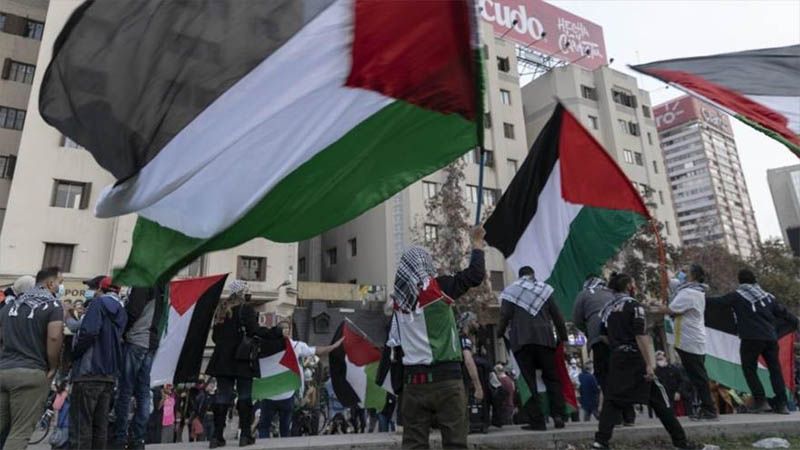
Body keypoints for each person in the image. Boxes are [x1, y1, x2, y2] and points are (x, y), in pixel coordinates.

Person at [392, 226, 486, 449]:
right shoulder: (438, 288)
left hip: (413, 384)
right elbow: (475, 275)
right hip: (447, 380)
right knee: (455, 443)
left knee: (414, 445)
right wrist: (477, 244)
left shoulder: (397, 302)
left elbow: (394, 346)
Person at [591, 274, 700, 450]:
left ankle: (600, 441)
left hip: (617, 358)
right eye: (632, 282)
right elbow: (640, 335)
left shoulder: (607, 309)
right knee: (660, 400)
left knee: (613, 400)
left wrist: (619, 344)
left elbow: (603, 335)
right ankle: (681, 442)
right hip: (635, 358)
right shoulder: (634, 306)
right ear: (628, 285)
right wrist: (649, 363)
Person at [707, 269, 800, 414]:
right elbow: (785, 313)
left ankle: (760, 400)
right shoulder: (768, 297)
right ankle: (782, 404)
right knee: (775, 370)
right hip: (770, 339)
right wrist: (795, 322)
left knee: (749, 369)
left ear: (740, 281)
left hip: (751, 339)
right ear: (754, 280)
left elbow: (717, 303)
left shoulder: (737, 296)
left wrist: (698, 298)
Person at [205, 280, 282, 448]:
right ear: (242, 294)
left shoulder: (221, 310)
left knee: (222, 396)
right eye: (247, 291)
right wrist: (274, 332)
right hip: (241, 359)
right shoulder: (245, 310)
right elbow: (255, 331)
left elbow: (215, 338)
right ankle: (245, 435)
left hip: (222, 361)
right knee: (245, 396)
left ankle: (216, 437)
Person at [497, 266, 568, 431]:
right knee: (552, 378)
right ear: (533, 275)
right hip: (545, 340)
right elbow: (557, 316)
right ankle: (558, 416)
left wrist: (499, 333)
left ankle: (537, 420)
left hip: (522, 342)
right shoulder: (544, 290)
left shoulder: (511, 292)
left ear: (519, 276)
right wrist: (563, 338)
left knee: (529, 382)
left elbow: (504, 316)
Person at [0, 268, 64, 450]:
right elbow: (54, 337)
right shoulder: (53, 306)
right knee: (19, 431)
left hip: (3, 370)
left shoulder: (10, 306)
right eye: (59, 282)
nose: (60, 286)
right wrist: (53, 366)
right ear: (50, 284)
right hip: (31, 373)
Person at [69, 276, 127, 450]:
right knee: (99, 428)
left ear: (101, 289)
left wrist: (75, 354)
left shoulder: (97, 304)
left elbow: (89, 332)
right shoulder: (122, 311)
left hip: (88, 373)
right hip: (108, 375)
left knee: (81, 427)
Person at [652, 264, 716, 420]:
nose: (680, 273)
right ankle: (705, 407)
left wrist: (654, 306)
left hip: (689, 340)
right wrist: (664, 271)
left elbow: (671, 309)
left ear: (692, 276)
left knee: (698, 377)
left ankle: (709, 409)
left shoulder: (689, 293)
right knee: (696, 376)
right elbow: (671, 282)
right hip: (691, 339)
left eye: (685, 271)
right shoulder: (692, 289)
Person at [572, 274, 636, 426]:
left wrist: (589, 330)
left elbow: (576, 320)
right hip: (618, 339)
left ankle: (615, 415)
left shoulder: (583, 295)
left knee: (605, 377)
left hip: (599, 340)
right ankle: (629, 415)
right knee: (621, 376)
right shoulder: (611, 293)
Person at [256, 325, 341, 439]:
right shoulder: (295, 346)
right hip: (287, 394)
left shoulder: (263, 346)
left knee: (264, 427)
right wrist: (334, 346)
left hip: (268, 394)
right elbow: (318, 351)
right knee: (285, 429)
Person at [112, 286, 166, 449]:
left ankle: (120, 437)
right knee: (143, 392)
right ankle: (138, 439)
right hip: (150, 342)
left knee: (125, 391)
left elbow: (133, 312)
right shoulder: (162, 286)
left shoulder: (143, 284)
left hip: (136, 340)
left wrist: (122, 331)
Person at [458, 312, 485, 408]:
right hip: (459, 382)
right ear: (469, 322)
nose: (478, 325)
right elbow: (468, 361)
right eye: (475, 321)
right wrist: (478, 387)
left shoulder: (455, 338)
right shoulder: (464, 339)